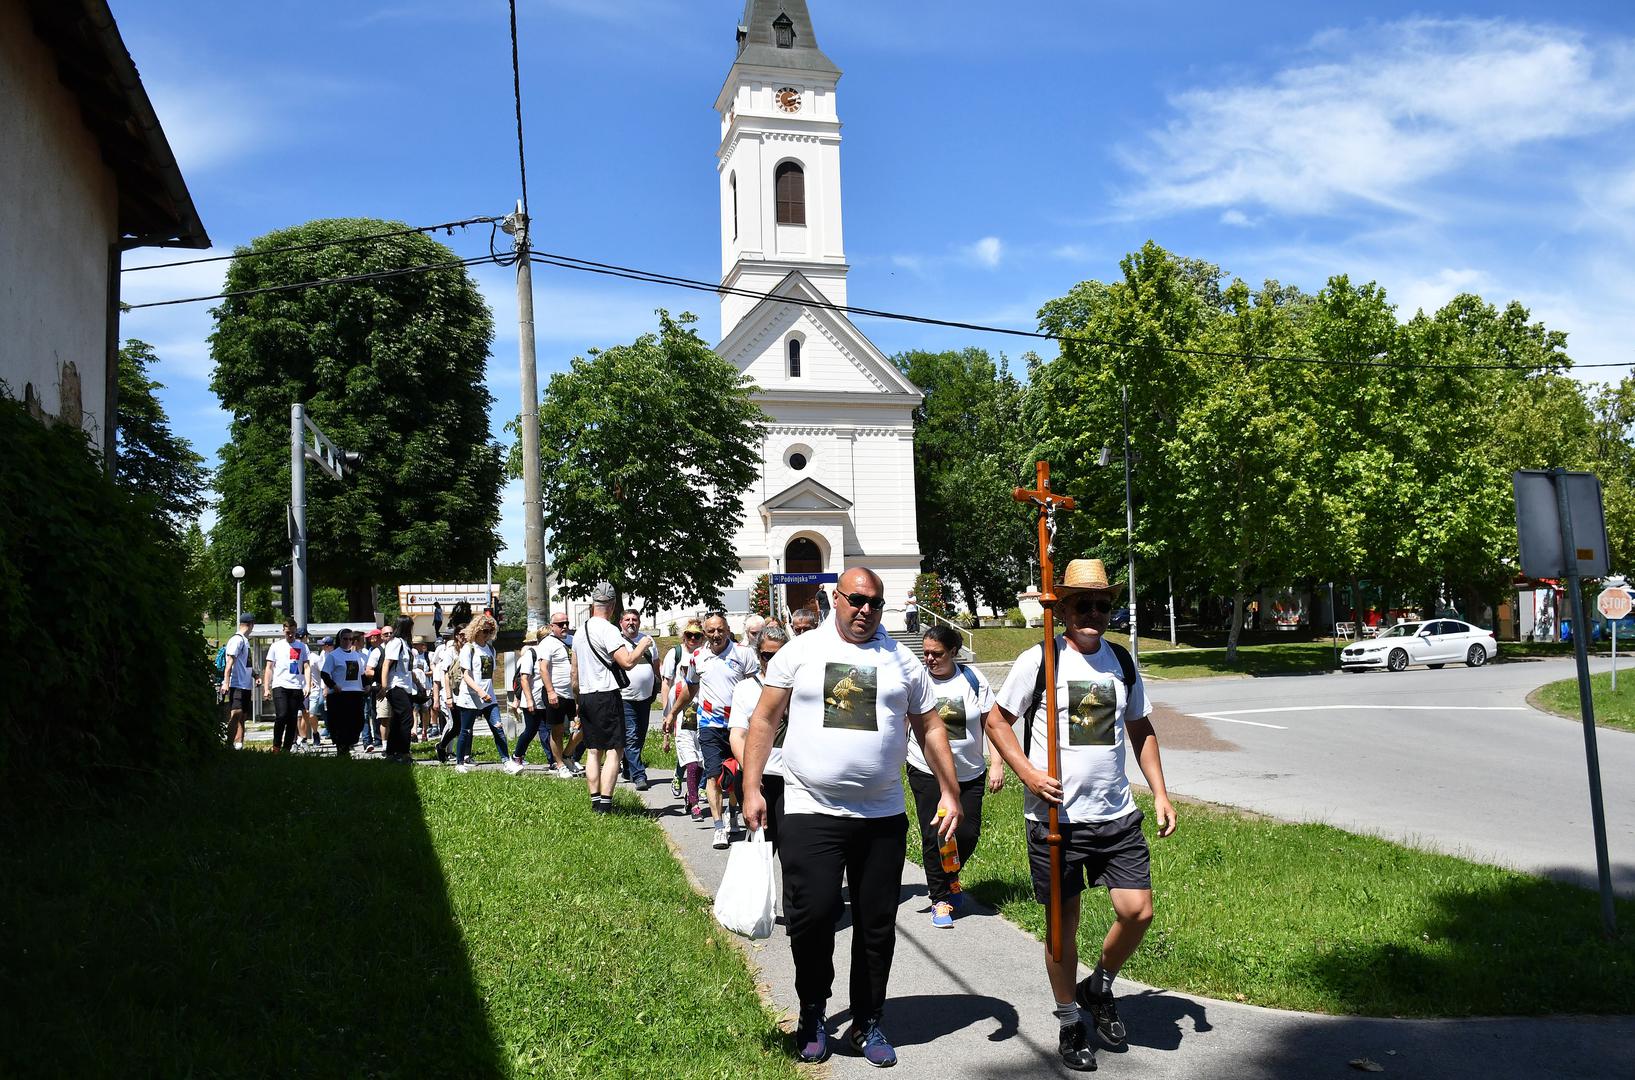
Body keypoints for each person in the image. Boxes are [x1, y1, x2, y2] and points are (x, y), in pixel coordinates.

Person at [741, 568, 963, 1068]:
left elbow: (928, 725)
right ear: (834, 599)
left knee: (876, 924)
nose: (865, 610)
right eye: (856, 600)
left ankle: (867, 1020)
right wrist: (752, 787)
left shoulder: (901, 660)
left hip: (881, 814)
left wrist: (951, 791)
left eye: (875, 603)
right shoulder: (800, 651)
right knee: (814, 915)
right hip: (808, 807)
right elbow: (764, 719)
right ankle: (813, 1009)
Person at [984, 558, 1177, 1073]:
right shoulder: (1040, 658)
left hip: (1116, 814)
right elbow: (998, 721)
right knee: (1061, 927)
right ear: (1064, 609)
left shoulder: (1121, 662)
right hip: (1055, 822)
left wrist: (1159, 792)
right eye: (1083, 604)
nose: (1093, 613)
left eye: (1102, 604)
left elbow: (1141, 729)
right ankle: (1070, 1019)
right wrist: (1026, 772)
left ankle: (1100, 986)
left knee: (1138, 911)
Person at [911, 625, 1005, 929]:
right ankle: (940, 898)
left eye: (936, 653)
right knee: (934, 835)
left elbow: (992, 723)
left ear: (953, 652)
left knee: (967, 833)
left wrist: (997, 763)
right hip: (927, 772)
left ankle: (950, 876)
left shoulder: (972, 680)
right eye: (925, 653)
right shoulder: (918, 681)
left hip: (970, 771)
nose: (929, 659)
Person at [664, 611, 758, 848]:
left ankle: (733, 812)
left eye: (720, 630)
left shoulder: (743, 654)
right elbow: (690, 688)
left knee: (738, 774)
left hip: (739, 725)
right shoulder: (698, 657)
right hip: (709, 725)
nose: (716, 635)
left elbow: (756, 687)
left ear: (728, 630)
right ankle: (719, 827)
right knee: (714, 776)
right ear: (705, 633)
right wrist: (672, 712)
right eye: (711, 631)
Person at [574, 584, 655, 812]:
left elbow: (574, 672)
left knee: (592, 751)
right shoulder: (608, 630)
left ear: (593, 604)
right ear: (611, 606)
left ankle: (594, 799)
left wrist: (577, 701)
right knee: (615, 750)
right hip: (606, 695)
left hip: (586, 695)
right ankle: (606, 803)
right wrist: (642, 645)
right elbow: (627, 662)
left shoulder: (580, 632)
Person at [727, 621, 792, 849]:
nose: (773, 662)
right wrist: (752, 775)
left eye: (779, 656)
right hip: (759, 777)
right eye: (767, 656)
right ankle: (757, 886)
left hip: (791, 778)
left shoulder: (798, 687)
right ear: (758, 655)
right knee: (761, 844)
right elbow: (737, 736)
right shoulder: (745, 689)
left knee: (792, 847)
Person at [455, 614, 519, 774]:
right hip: (470, 697)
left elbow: (489, 674)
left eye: (490, 631)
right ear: (476, 630)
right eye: (484, 630)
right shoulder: (468, 648)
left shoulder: (490, 649)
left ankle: (506, 761)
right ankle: (459, 762)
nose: (487, 634)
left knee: (498, 728)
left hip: (489, 698)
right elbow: (466, 675)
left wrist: (486, 692)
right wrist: (479, 691)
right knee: (466, 731)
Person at [662, 621, 706, 808]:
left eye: (697, 635)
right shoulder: (676, 653)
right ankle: (679, 777)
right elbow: (666, 683)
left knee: (700, 750)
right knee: (686, 748)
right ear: (684, 636)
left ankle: (699, 787)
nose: (693, 639)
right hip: (681, 704)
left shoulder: (705, 654)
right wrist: (667, 712)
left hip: (701, 705)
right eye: (690, 635)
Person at [618, 608, 661, 790]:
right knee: (631, 734)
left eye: (634, 619)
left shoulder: (648, 641)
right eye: (627, 619)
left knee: (641, 734)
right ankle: (639, 775)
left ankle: (628, 767)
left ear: (639, 622)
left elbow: (656, 664)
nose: (631, 622)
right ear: (621, 623)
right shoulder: (617, 641)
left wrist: (657, 685)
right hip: (624, 696)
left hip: (645, 697)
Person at [262, 619, 309, 754]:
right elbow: (269, 668)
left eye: (293, 633)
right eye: (288, 632)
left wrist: (307, 685)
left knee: (292, 718)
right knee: (282, 715)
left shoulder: (302, 647)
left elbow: (306, 666)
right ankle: (276, 745)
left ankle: (286, 748)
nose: (290, 635)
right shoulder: (276, 646)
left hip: (296, 686)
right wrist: (266, 688)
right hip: (280, 685)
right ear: (283, 631)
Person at [321, 629, 368, 757]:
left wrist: (367, 685)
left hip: (356, 693)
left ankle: (348, 744)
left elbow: (362, 674)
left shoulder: (357, 655)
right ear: (339, 640)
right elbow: (324, 674)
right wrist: (334, 686)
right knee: (340, 724)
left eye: (350, 639)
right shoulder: (333, 655)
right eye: (345, 639)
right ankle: (342, 748)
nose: (348, 642)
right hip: (339, 695)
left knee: (357, 722)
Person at [512, 625, 551, 766]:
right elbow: (523, 679)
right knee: (530, 730)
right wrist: (529, 700)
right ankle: (517, 755)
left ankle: (553, 760)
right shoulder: (531, 654)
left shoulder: (553, 653)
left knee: (548, 730)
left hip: (548, 699)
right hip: (532, 699)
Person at [380, 616, 418, 761]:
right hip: (396, 686)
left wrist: (418, 685)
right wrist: (384, 686)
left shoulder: (405, 644)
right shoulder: (395, 643)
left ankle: (391, 752)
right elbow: (386, 664)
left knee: (397, 720)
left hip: (406, 687)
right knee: (407, 718)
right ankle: (403, 751)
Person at [221, 612, 256, 750]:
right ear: (251, 625)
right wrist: (226, 682)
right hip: (237, 683)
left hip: (246, 685)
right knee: (236, 713)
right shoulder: (237, 640)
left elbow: (246, 664)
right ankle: (228, 745)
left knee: (243, 716)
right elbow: (229, 663)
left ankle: (239, 744)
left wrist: (256, 676)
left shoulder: (245, 641)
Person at [361, 629, 383, 753]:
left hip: (378, 685)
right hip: (371, 686)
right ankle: (377, 737)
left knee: (379, 713)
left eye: (372, 637)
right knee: (373, 712)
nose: (370, 640)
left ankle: (379, 737)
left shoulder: (379, 650)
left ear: (377, 637)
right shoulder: (370, 651)